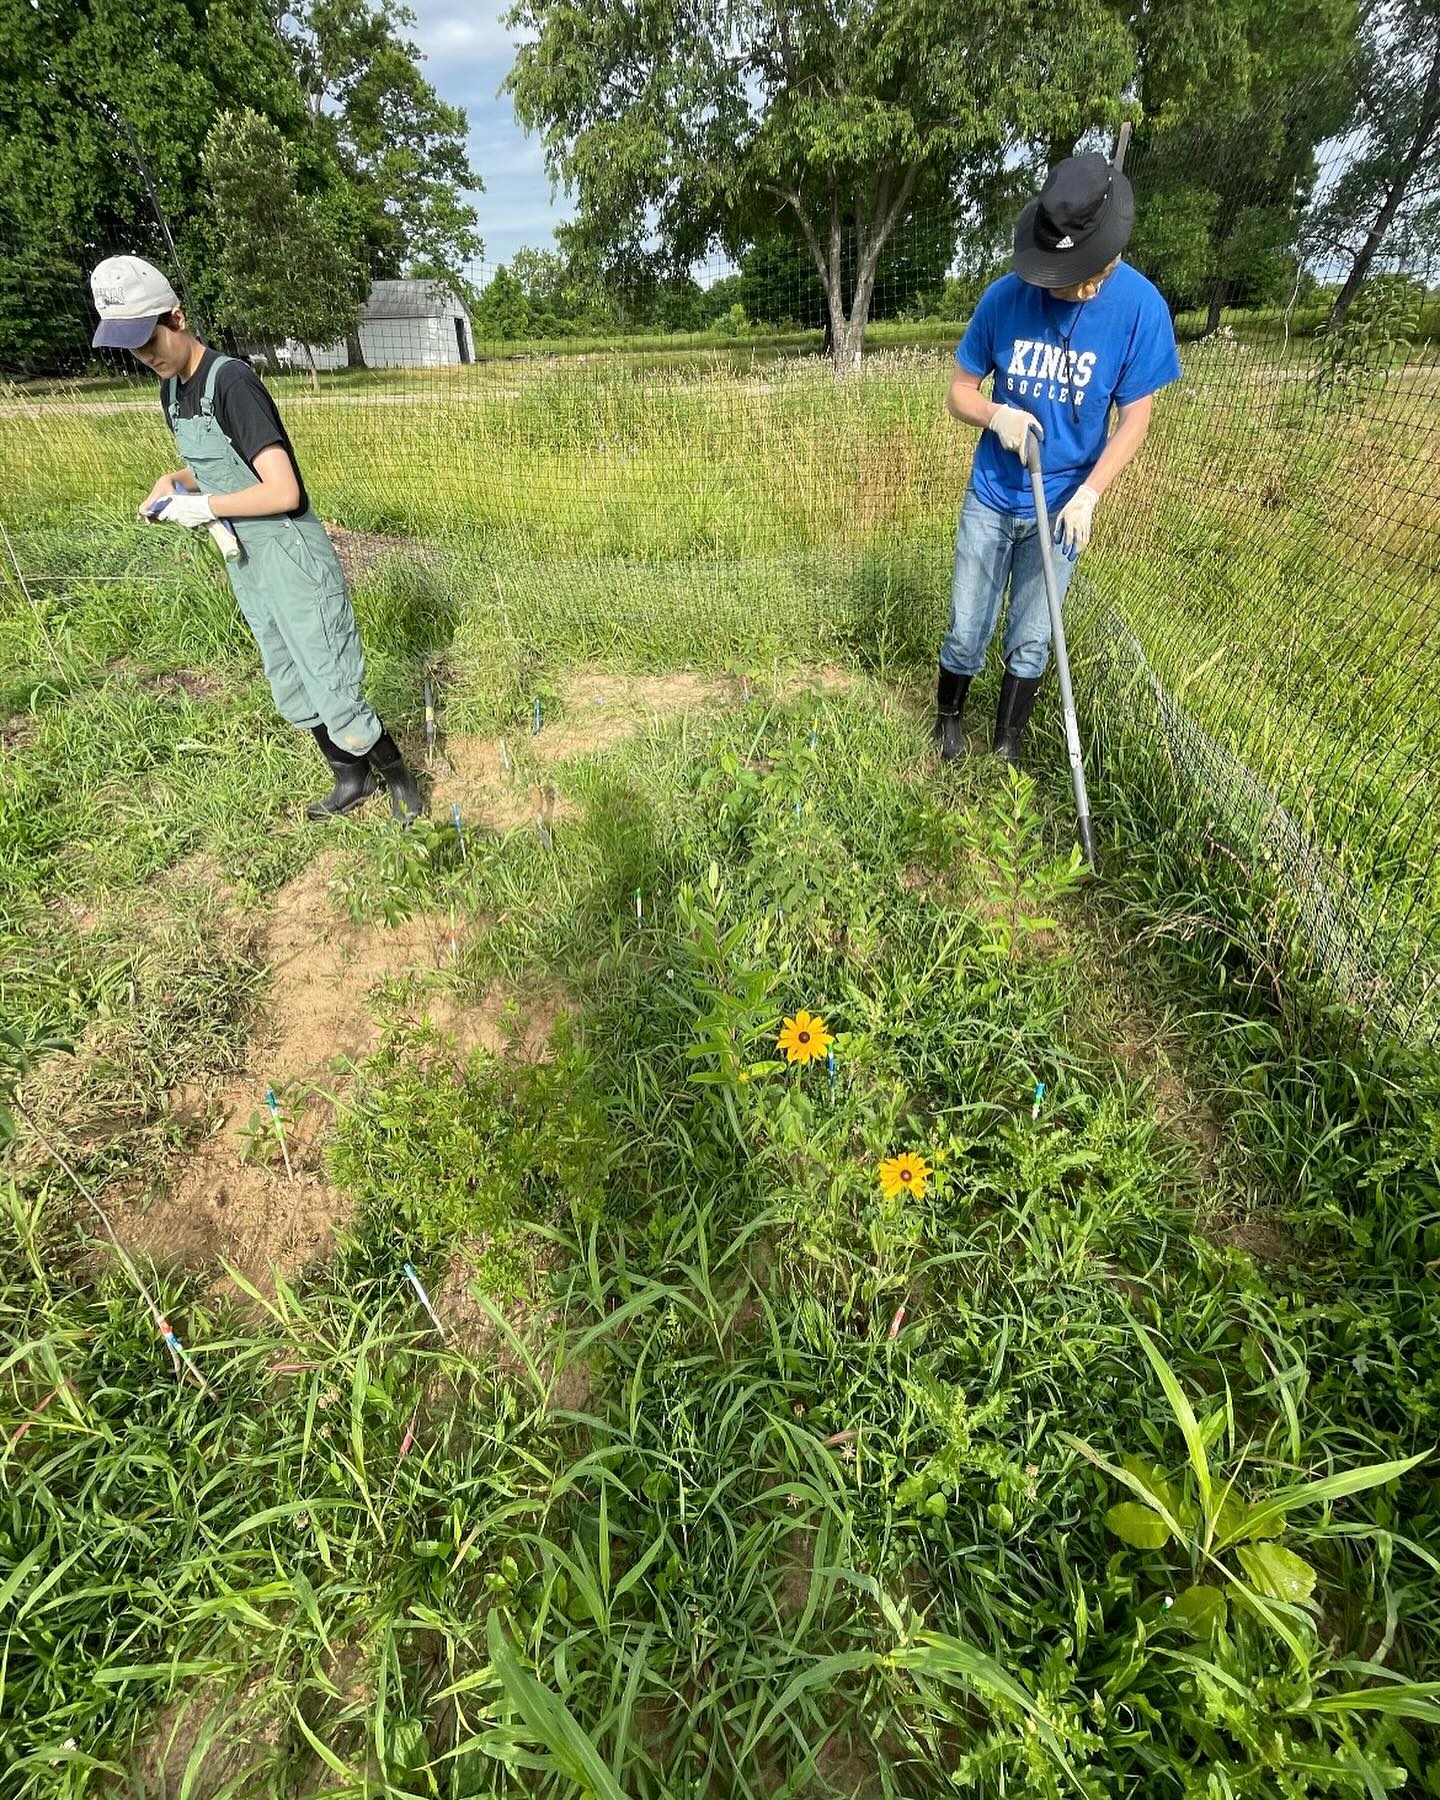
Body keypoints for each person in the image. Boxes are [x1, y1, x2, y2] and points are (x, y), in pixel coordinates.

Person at [88, 254, 423, 822]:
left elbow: (283, 490)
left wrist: (204, 506)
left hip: (289, 550)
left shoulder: (232, 382)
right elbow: (219, 467)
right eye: (130, 345)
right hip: (246, 558)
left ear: (176, 317)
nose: (144, 355)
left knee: (329, 674)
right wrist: (172, 483)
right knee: (288, 673)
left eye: (148, 338)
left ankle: (399, 780)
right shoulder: (172, 391)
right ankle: (350, 779)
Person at [936, 154, 1180, 764]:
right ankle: (947, 722)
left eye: (1079, 275)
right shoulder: (1004, 299)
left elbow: (1136, 419)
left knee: (1034, 634)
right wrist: (997, 414)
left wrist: (1092, 492)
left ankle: (1007, 743)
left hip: (1065, 501)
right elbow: (958, 392)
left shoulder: (1140, 309)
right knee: (968, 625)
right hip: (994, 495)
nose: (1071, 288)